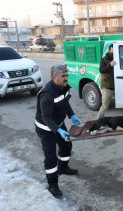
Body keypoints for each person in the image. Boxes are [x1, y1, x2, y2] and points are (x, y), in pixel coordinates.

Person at [35, 64, 81, 198]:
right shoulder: (47, 94)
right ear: (55, 77)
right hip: (46, 129)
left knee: (67, 146)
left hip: (59, 124)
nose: (66, 78)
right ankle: (52, 185)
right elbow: (46, 117)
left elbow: (65, 102)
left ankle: (63, 167)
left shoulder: (63, 87)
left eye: (67, 75)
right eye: (63, 76)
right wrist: (58, 130)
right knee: (50, 158)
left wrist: (72, 115)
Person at [97, 44, 116, 119]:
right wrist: (110, 65)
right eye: (113, 48)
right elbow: (101, 70)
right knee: (105, 106)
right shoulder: (104, 59)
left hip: (118, 85)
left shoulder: (117, 58)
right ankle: (98, 120)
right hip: (107, 86)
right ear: (110, 49)